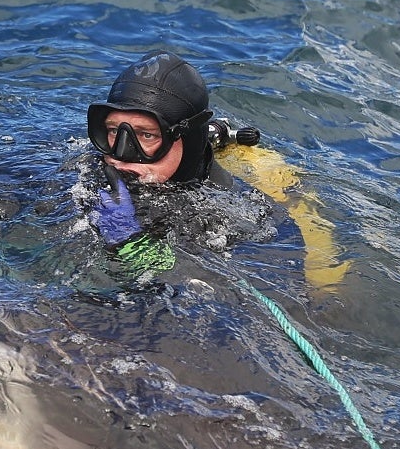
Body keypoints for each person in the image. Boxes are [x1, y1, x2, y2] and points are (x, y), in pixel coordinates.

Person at [85, 51, 347, 288]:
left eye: (147, 136)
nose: (120, 154)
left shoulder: (239, 216)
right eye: (112, 130)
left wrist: (135, 248)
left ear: (187, 140)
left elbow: (249, 299)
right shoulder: (85, 171)